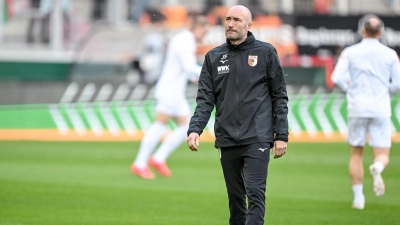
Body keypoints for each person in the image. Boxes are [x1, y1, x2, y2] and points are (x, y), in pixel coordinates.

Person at [187, 5, 288, 225]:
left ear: (249, 25)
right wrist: (195, 128)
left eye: (237, 20)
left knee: (255, 192)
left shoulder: (266, 52)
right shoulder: (213, 57)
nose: (231, 24)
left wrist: (281, 134)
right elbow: (205, 99)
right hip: (227, 138)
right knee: (235, 198)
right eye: (228, 19)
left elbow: (279, 95)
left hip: (258, 136)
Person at [331, 15, 400, 210]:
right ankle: (377, 167)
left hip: (357, 107)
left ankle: (358, 199)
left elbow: (336, 77)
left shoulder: (350, 52)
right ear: (381, 32)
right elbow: (398, 83)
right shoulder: (389, 54)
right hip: (380, 108)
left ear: (362, 30)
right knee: (382, 153)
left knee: (356, 154)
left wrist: (349, 89)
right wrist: (386, 91)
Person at [131, 16, 210, 179]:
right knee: (161, 125)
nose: (205, 35)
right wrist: (210, 74)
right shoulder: (186, 40)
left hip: (174, 91)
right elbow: (188, 66)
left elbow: (184, 67)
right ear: (199, 28)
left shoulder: (183, 39)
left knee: (186, 127)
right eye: (205, 31)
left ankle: (157, 158)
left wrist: (196, 77)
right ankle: (140, 163)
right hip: (170, 91)